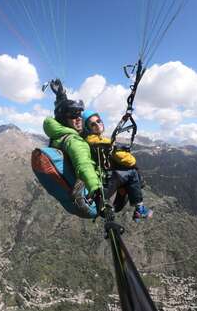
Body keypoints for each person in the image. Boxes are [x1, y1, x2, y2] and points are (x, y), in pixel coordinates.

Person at [81, 109, 153, 222]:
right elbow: (129, 161)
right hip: (104, 184)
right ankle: (139, 208)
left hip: (106, 181)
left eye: (98, 121)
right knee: (132, 172)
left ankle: (136, 208)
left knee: (128, 173)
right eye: (92, 124)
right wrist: (132, 159)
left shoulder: (94, 140)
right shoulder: (96, 141)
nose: (97, 125)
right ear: (88, 128)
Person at [43, 80, 103, 208]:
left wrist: (60, 95)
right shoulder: (74, 141)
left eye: (80, 113)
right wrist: (98, 193)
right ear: (64, 119)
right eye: (74, 115)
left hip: (71, 192)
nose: (79, 117)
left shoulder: (58, 135)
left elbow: (61, 112)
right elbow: (84, 165)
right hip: (89, 189)